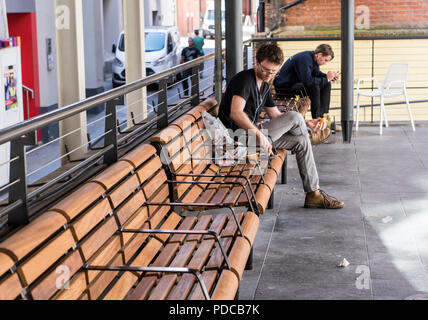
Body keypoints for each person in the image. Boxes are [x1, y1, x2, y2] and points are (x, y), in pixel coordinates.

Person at [218, 43, 344, 209]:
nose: (269, 74)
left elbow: (276, 116)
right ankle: (309, 134)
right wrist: (259, 134)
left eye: (273, 71)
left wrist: (306, 122)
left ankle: (313, 193)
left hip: (255, 137)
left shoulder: (264, 85)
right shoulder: (244, 80)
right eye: (266, 70)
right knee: (294, 116)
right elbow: (236, 113)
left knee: (301, 142)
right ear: (256, 62)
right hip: (239, 139)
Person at [273, 44, 340, 121]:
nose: (325, 63)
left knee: (326, 83)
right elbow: (307, 81)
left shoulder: (312, 57)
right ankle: (316, 119)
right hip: (283, 88)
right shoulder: (305, 59)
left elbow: (316, 73)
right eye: (325, 60)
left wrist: (329, 76)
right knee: (314, 87)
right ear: (319, 55)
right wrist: (326, 79)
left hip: (294, 84)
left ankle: (324, 116)